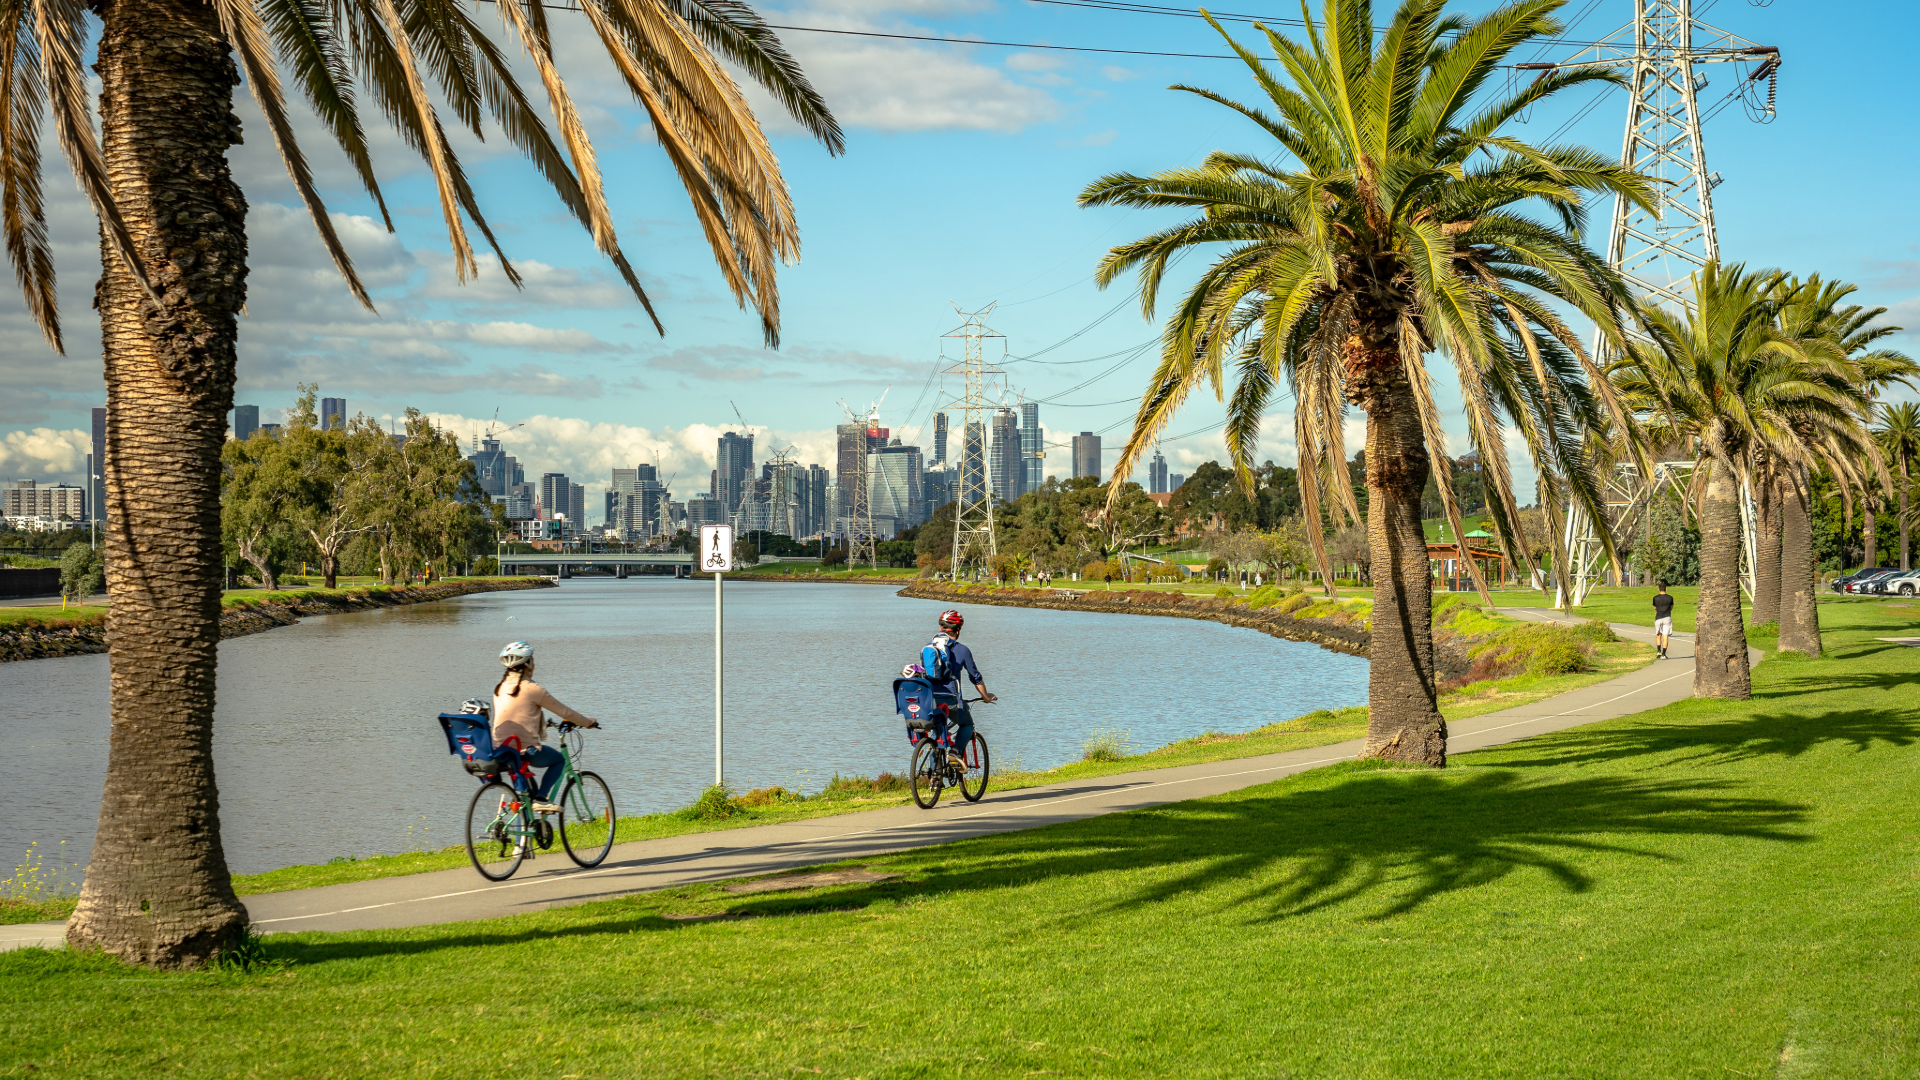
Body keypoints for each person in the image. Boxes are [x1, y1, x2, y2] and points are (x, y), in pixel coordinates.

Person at [493, 642, 600, 813]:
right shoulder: (533, 689)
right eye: (532, 660)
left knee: (528, 795)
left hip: (503, 751)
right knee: (559, 760)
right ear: (527, 664)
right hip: (526, 750)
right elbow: (565, 712)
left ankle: (528, 831)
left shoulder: (499, 689)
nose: (534, 664)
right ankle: (542, 799)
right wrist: (588, 722)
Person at [926, 610, 995, 767]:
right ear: (957, 631)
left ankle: (933, 777)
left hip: (929, 701)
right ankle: (955, 752)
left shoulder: (929, 648)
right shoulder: (962, 650)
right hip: (950, 700)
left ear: (941, 628)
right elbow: (975, 677)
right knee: (967, 725)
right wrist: (986, 696)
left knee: (937, 733)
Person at [1652, 585, 1675, 659]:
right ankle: (1664, 654)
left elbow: (1654, 607)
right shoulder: (1670, 598)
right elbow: (1671, 607)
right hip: (1667, 617)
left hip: (1658, 617)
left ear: (1658, 589)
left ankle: (1658, 651)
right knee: (1665, 636)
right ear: (1666, 589)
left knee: (1658, 635)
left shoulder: (1655, 598)